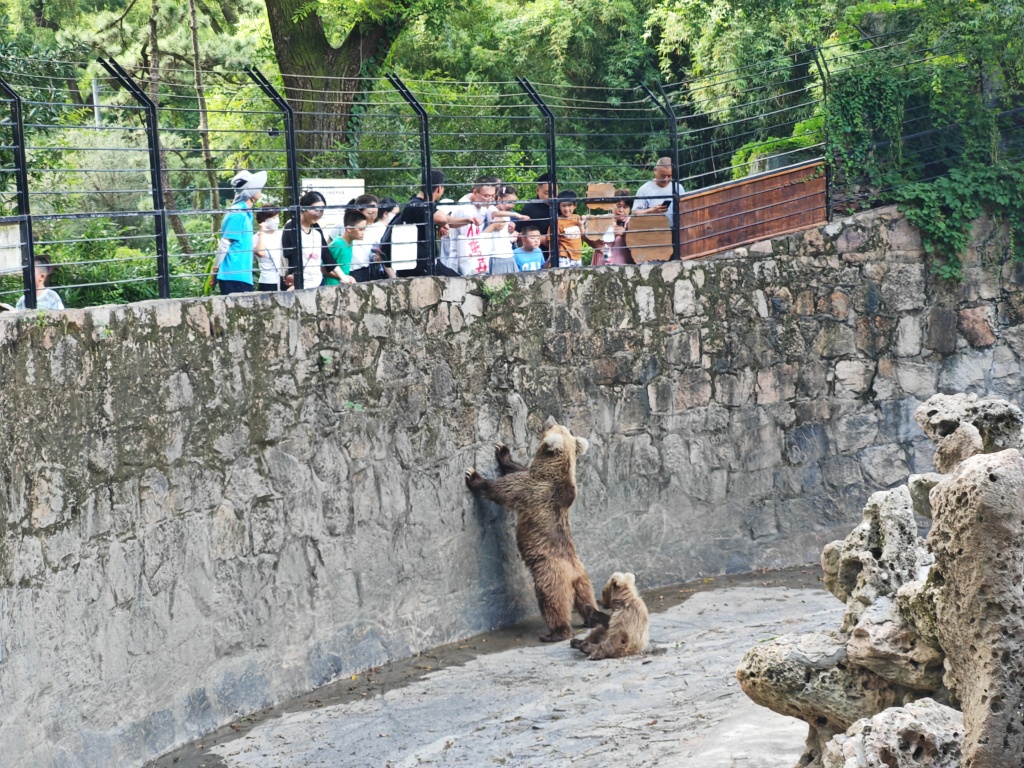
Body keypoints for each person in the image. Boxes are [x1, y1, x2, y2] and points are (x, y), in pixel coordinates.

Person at [390, 170, 478, 279]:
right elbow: (443, 218)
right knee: (460, 283)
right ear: (439, 188)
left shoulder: (414, 203)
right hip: (422, 265)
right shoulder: (419, 205)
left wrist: (463, 221)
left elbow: (445, 221)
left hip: (420, 262)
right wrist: (463, 221)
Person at [212, 169, 266, 295]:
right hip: (233, 275)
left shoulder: (245, 212)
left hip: (241, 274)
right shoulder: (238, 213)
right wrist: (215, 270)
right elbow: (225, 243)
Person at [281, 190, 331, 289]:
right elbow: (290, 257)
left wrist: (343, 276)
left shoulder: (315, 227)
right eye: (315, 209)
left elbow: (326, 254)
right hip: (298, 282)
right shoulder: (291, 226)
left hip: (317, 281)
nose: (318, 214)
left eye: (321, 211)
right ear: (304, 208)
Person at [554, 191, 601, 268]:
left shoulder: (577, 217)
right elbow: (553, 240)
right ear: (559, 206)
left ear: (575, 205)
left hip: (577, 255)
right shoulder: (558, 221)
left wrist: (580, 224)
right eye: (564, 206)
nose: (566, 208)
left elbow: (583, 236)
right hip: (564, 256)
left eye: (569, 205)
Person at [516, 173, 556, 262]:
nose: (551, 197)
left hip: (563, 254)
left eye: (554, 192)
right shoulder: (529, 209)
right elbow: (520, 237)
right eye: (546, 193)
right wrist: (539, 239)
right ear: (537, 191)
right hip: (536, 257)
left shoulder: (562, 206)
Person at [592, 189, 635, 267]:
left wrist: (625, 235)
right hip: (602, 268)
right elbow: (593, 241)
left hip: (625, 269)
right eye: (618, 206)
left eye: (625, 207)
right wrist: (610, 235)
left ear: (630, 209)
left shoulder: (633, 223)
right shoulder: (602, 220)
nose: (621, 210)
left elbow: (638, 247)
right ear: (611, 205)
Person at [324, 209, 366, 286]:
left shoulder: (350, 241)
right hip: (332, 286)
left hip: (343, 284)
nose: (363, 233)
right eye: (360, 229)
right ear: (349, 229)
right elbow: (323, 268)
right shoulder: (337, 243)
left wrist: (347, 277)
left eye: (364, 229)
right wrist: (343, 277)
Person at [487, 185, 521, 275]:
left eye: (514, 202)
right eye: (509, 201)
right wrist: (516, 215)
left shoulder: (507, 214)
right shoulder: (492, 209)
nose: (511, 205)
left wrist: (511, 231)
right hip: (496, 254)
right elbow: (495, 214)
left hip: (508, 253)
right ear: (499, 199)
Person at [254, 208, 286, 291]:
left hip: (285, 279)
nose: (276, 221)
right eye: (273, 218)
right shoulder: (256, 237)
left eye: (277, 217)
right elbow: (260, 253)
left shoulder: (283, 234)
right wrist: (262, 232)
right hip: (268, 281)